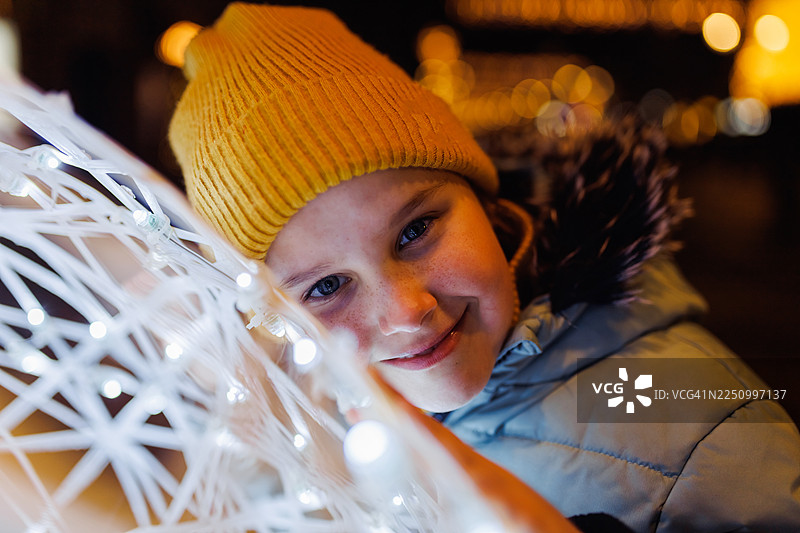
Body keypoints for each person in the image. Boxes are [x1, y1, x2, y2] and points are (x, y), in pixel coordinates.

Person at [167, 3, 800, 531]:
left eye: (416, 231)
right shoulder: (314, 433)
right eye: (328, 287)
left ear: (485, 200)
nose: (407, 311)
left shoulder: (687, 413)